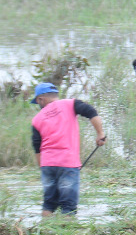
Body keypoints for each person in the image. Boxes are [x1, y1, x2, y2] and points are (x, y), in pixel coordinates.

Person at [31, 82, 106, 218]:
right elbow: (91, 112)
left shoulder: (37, 119)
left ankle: (45, 233)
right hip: (67, 163)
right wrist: (100, 133)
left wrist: (43, 168)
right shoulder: (70, 104)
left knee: (48, 205)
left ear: (40, 99)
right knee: (68, 207)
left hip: (47, 164)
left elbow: (37, 147)